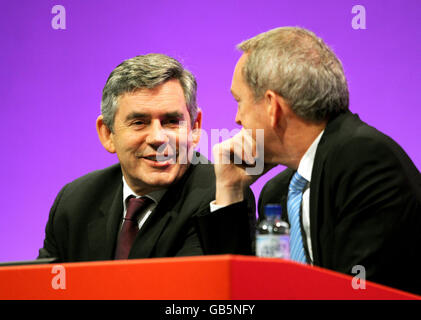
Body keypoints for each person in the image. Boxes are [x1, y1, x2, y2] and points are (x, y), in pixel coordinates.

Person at [213, 27, 421, 294]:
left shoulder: (365, 160)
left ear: (271, 107)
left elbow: (363, 293)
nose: (237, 119)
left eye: (238, 101)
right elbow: (243, 294)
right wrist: (229, 189)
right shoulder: (277, 194)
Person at [38, 53, 255, 262]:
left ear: (195, 127)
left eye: (171, 121)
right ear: (107, 134)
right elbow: (39, 289)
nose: (158, 138)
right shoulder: (75, 201)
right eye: (139, 122)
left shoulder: (221, 197)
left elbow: (216, 289)